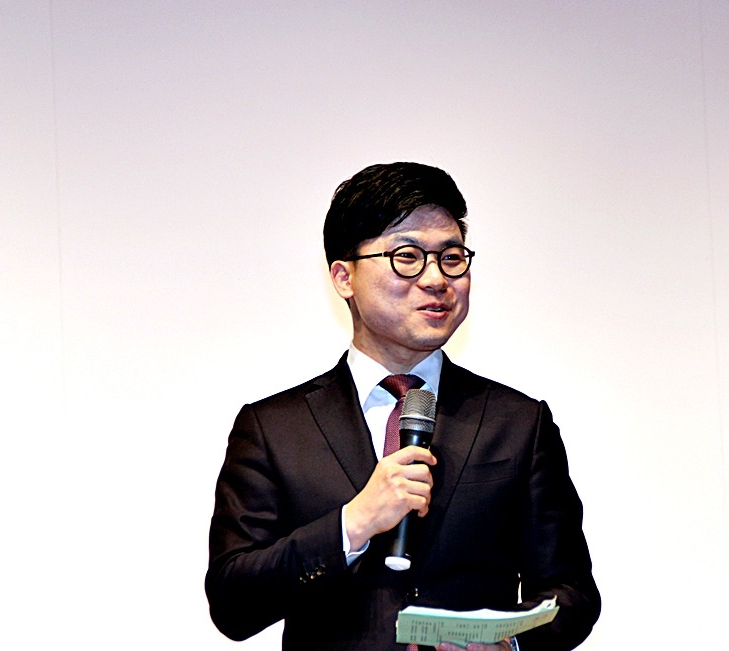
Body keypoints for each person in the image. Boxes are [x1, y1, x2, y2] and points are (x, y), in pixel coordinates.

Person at [206, 162, 601, 650]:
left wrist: (507, 643)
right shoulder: (274, 429)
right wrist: (354, 523)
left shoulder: (519, 422)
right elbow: (232, 603)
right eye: (407, 256)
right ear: (344, 277)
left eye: (451, 258)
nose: (436, 278)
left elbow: (571, 593)